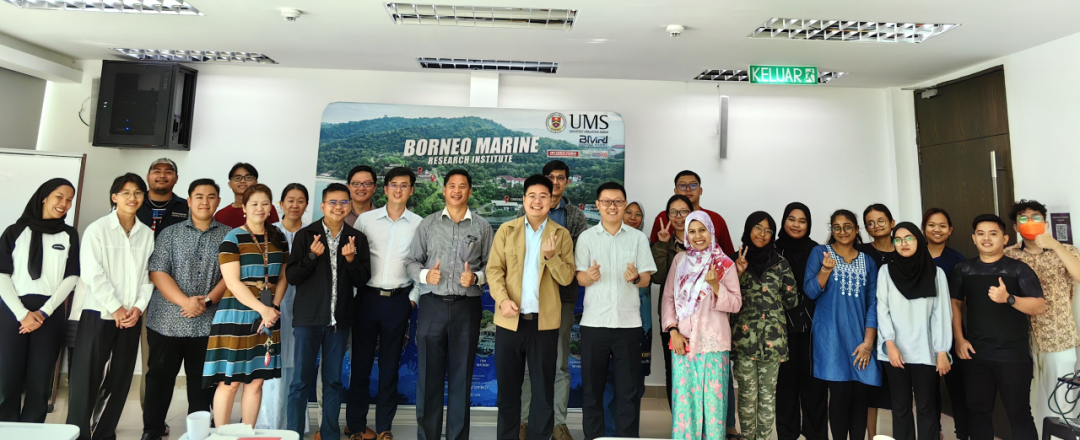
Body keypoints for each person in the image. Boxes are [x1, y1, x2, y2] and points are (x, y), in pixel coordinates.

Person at [405, 169, 493, 440]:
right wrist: (425, 275)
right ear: (444, 190)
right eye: (452, 186)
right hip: (432, 305)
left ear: (470, 191)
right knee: (428, 378)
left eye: (462, 186)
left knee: (461, 378)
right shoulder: (428, 224)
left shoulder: (482, 227)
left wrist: (476, 278)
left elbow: (493, 267)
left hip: (467, 308)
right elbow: (411, 262)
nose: (456, 191)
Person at [66, 173, 155, 440]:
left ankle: (104, 433)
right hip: (99, 313)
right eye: (126, 193)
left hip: (131, 317)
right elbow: (92, 273)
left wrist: (137, 308)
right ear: (114, 197)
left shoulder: (146, 234)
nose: (132, 198)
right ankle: (78, 434)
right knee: (87, 378)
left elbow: (148, 276)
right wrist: (116, 307)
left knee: (120, 378)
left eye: (138, 193)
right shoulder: (97, 229)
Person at [141, 179, 231, 440]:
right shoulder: (170, 233)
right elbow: (157, 271)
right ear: (189, 201)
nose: (205, 201)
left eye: (211, 196)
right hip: (167, 321)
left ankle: (199, 432)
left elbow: (231, 275)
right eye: (199, 196)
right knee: (160, 377)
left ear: (218, 201)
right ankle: (152, 430)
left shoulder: (230, 235)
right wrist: (186, 302)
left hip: (208, 321)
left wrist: (207, 301)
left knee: (202, 382)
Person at [488, 175, 575, 440]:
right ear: (524, 199)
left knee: (543, 391)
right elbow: (494, 271)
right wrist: (503, 300)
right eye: (532, 196)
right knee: (508, 391)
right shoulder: (507, 230)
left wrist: (551, 258)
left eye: (543, 196)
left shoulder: (561, 235)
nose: (537, 201)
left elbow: (567, 278)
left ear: (551, 200)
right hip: (510, 321)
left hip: (544, 324)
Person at [286, 183, 371, 440]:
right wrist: (311, 257)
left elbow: (362, 280)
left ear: (349, 206)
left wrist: (351, 260)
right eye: (332, 202)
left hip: (339, 322)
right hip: (308, 320)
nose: (338, 207)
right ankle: (293, 434)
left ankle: (330, 434)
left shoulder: (357, 239)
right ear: (322, 206)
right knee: (300, 381)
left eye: (344, 202)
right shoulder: (305, 236)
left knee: (333, 381)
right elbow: (292, 276)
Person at [574, 182, 656, 440]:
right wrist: (588, 276)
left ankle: (626, 438)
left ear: (624, 204)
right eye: (607, 202)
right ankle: (593, 437)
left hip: (628, 325)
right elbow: (579, 277)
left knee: (628, 392)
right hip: (594, 324)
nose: (612, 206)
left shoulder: (638, 238)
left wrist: (635, 278)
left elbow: (646, 279)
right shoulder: (586, 237)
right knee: (592, 391)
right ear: (597, 205)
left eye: (618, 202)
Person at [951, 214, 1045, 440]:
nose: (986, 238)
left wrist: (1009, 298)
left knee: (1019, 413)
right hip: (976, 353)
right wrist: (960, 339)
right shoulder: (964, 269)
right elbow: (955, 305)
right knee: (978, 413)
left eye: (993, 234)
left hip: (1012, 354)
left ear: (1004, 239)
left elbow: (1039, 306)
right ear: (974, 238)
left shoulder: (1018, 269)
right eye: (981, 234)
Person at [204, 184, 288, 428]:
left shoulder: (278, 237)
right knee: (230, 382)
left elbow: (283, 276)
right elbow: (232, 282)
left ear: (271, 207)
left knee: (256, 380)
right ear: (244, 207)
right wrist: (263, 310)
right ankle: (221, 433)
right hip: (236, 313)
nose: (260, 208)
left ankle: (247, 433)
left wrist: (273, 308)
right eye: (254, 204)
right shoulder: (233, 238)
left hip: (268, 315)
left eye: (265, 203)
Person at [350, 167, 423, 440]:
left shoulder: (419, 224)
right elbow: (353, 261)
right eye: (394, 184)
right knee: (360, 367)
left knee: (389, 368)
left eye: (404, 185)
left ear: (411, 190)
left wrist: (412, 301)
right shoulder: (366, 220)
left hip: (398, 302)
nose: (398, 190)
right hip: (366, 300)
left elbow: (422, 266)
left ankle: (384, 429)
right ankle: (357, 428)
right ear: (385, 188)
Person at [0, 179, 79, 423]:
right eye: (59, 196)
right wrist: (22, 313)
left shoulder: (69, 235)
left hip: (50, 313)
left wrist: (44, 312)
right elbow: (2, 274)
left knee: (40, 378)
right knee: (7, 376)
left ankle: (32, 429)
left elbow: (72, 277)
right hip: (12, 311)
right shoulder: (14, 231)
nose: (64, 203)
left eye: (69, 199)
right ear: (44, 197)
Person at [520, 160, 589, 440]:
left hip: (561, 298)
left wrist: (553, 256)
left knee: (560, 364)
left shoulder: (575, 216)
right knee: (528, 365)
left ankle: (559, 423)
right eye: (550, 177)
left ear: (567, 182)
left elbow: (577, 257)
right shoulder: (526, 211)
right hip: (530, 300)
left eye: (561, 178)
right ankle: (524, 421)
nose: (555, 182)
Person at [660, 211, 742, 440]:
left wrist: (715, 286)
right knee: (685, 407)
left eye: (702, 230)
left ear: (711, 231)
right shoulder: (680, 261)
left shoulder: (724, 263)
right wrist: (673, 331)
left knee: (714, 408)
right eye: (692, 231)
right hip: (683, 342)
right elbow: (668, 298)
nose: (698, 236)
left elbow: (736, 303)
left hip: (714, 344)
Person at [804, 209, 881, 440]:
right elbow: (810, 291)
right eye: (836, 227)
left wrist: (868, 343)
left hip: (860, 340)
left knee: (860, 397)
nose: (842, 231)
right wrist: (826, 270)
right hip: (831, 338)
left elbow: (873, 303)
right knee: (839, 396)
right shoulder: (820, 253)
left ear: (856, 229)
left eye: (847, 226)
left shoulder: (868, 262)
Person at [1002, 200, 1080, 423]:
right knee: (1026, 402)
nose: (1030, 222)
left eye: (1035, 217)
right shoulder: (1008, 255)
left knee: (1062, 402)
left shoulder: (1066, 250)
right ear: (1016, 227)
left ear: (1045, 222)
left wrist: (1055, 245)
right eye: (1023, 219)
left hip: (1058, 336)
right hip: (1019, 338)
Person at [876, 222, 953, 440]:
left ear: (919, 240)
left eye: (909, 238)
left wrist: (941, 350)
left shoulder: (936, 274)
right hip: (894, 350)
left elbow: (941, 314)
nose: (903, 243)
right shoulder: (885, 271)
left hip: (925, 350)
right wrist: (889, 343)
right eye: (898, 239)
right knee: (900, 406)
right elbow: (882, 309)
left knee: (927, 406)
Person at [732, 212, 799, 440]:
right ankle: (747, 437)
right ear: (748, 229)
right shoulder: (733, 261)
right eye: (758, 228)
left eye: (768, 230)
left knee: (768, 395)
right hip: (743, 342)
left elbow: (791, 300)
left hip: (773, 342)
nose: (763, 234)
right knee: (747, 394)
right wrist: (738, 273)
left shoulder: (780, 263)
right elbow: (724, 298)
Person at [257, 183, 310, 431]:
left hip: (303, 303)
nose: (295, 205)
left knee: (296, 359)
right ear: (280, 204)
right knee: (271, 356)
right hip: (272, 304)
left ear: (307, 205)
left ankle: (293, 422)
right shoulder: (270, 233)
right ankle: (268, 422)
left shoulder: (312, 234)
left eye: (300, 201)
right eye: (290, 200)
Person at [774, 202, 828, 440]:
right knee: (785, 386)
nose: (796, 225)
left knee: (815, 385)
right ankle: (787, 435)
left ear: (809, 224)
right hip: (780, 329)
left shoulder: (817, 251)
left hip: (812, 328)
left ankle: (815, 434)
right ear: (784, 221)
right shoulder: (773, 249)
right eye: (792, 219)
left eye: (802, 221)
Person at [601, 199, 652, 437]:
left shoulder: (646, 244)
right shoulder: (606, 243)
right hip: (610, 321)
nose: (632, 217)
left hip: (640, 325)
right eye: (628, 212)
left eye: (637, 214)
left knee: (634, 384)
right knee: (609, 380)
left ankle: (629, 434)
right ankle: (610, 432)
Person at [921, 207, 968, 440]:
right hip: (921, 331)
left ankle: (963, 433)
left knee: (958, 386)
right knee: (927, 389)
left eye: (942, 226)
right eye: (931, 225)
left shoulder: (958, 260)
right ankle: (934, 432)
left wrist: (958, 337)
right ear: (923, 228)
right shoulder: (914, 256)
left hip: (951, 328)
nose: (936, 230)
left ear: (950, 230)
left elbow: (961, 300)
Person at [857, 203, 896, 437]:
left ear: (892, 223)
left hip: (897, 328)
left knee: (897, 388)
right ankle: (872, 436)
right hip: (868, 326)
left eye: (881, 221)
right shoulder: (860, 252)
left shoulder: (903, 249)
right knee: (869, 387)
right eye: (870, 223)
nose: (876, 226)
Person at [651, 195, 692, 409]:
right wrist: (662, 245)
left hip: (700, 318)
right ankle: (678, 419)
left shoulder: (702, 239)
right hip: (671, 316)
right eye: (673, 212)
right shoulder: (663, 243)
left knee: (699, 369)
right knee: (674, 368)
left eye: (683, 211)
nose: (678, 216)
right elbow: (658, 278)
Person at [649, 170, 734, 255]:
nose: (688, 189)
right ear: (675, 191)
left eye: (693, 185)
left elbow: (729, 255)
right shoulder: (663, 217)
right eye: (683, 186)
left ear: (700, 190)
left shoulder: (715, 219)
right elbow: (652, 255)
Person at [215, 163, 280, 228]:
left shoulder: (266, 209)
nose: (242, 181)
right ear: (230, 184)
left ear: (256, 183)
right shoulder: (220, 215)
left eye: (248, 178)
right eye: (237, 178)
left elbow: (275, 232)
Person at [137, 158, 188, 236]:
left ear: (176, 179)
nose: (162, 176)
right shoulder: (134, 203)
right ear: (148, 177)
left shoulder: (187, 207)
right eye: (157, 172)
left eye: (168, 172)